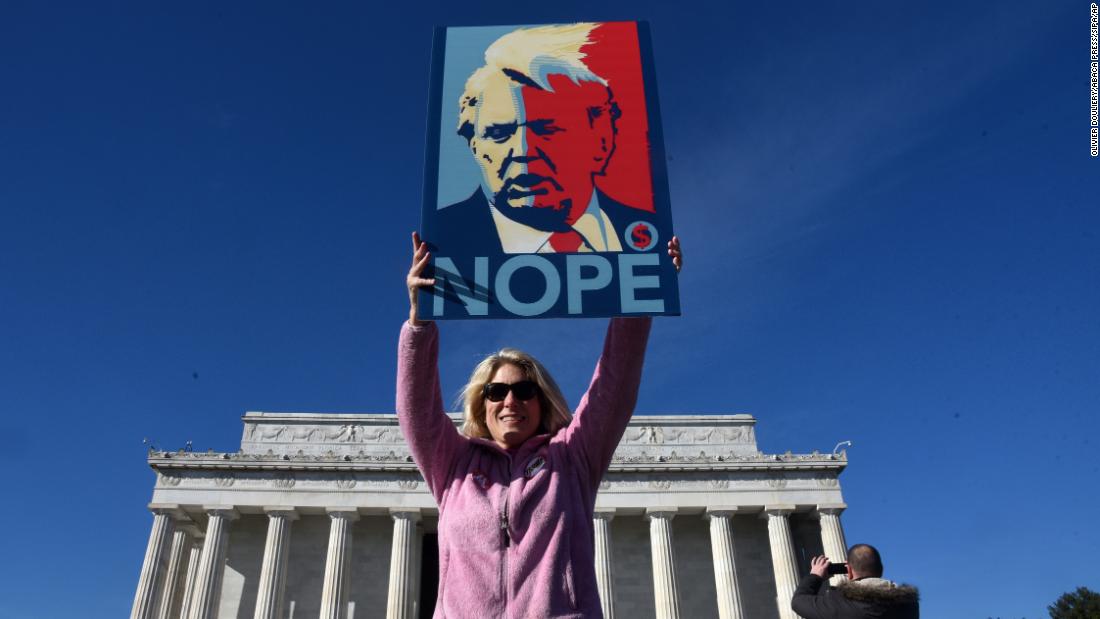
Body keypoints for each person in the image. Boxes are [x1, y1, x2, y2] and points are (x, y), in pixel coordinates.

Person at [397, 231, 682, 618]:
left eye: (524, 390)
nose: (510, 401)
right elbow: (418, 409)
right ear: (482, 406)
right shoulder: (453, 467)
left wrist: (641, 291)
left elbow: (614, 383)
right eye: (496, 392)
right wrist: (419, 322)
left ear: (541, 399)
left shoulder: (572, 458)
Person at [439, 23, 646, 254]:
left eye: (548, 130)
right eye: (499, 134)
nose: (523, 150)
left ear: (602, 140)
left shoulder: (646, 235)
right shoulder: (444, 240)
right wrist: (422, 290)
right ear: (474, 146)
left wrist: (668, 273)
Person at [791, 544, 920, 619]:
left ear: (849, 570)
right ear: (881, 569)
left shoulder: (841, 604)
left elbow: (798, 602)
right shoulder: (909, 605)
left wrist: (815, 576)